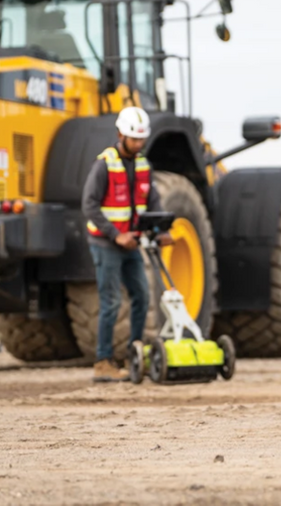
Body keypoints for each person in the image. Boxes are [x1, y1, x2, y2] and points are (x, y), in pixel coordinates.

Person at [82, 106, 172, 382]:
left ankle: (135, 356)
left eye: (141, 139)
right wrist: (115, 234)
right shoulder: (104, 164)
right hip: (106, 243)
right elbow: (90, 205)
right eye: (134, 139)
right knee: (110, 302)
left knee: (142, 297)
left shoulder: (144, 165)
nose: (138, 144)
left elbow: (152, 204)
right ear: (121, 134)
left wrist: (160, 231)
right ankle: (103, 362)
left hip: (132, 243)